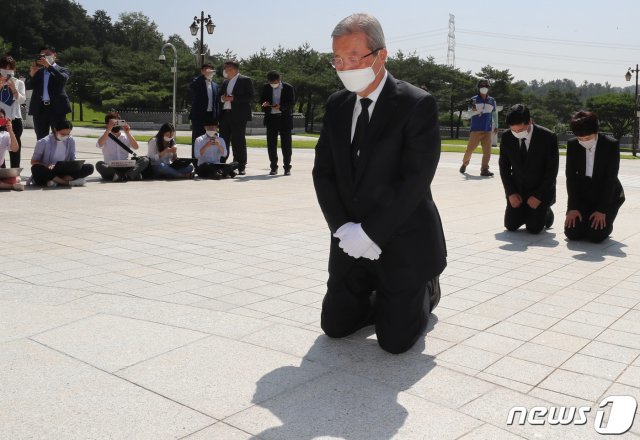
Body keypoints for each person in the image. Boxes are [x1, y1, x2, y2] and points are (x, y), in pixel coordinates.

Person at [312, 13, 446, 354]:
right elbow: (323, 172)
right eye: (338, 59)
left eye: (354, 58)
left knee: (395, 342)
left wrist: (371, 233)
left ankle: (425, 288)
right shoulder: (337, 105)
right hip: (350, 239)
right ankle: (381, 297)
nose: (344, 67)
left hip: (400, 236)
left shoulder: (416, 104)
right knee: (335, 327)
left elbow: (415, 182)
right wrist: (343, 229)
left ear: (381, 55)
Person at [564, 111, 625, 243]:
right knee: (572, 233)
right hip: (584, 194)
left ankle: (607, 221)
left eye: (587, 138)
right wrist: (572, 208)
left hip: (607, 194)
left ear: (596, 131)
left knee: (596, 236)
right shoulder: (573, 144)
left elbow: (611, 179)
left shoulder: (611, 145)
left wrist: (602, 210)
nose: (584, 141)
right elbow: (571, 177)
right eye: (580, 138)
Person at [498, 104, 558, 233]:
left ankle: (546, 211)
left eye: (520, 130)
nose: (517, 133)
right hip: (518, 189)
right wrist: (511, 193)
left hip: (539, 189)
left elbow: (551, 171)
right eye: (513, 130)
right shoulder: (507, 137)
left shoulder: (548, 137)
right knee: (511, 225)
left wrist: (539, 196)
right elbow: (504, 167)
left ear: (530, 121)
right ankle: (527, 212)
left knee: (534, 228)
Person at [25, 46, 71, 140]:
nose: (45, 57)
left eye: (48, 54)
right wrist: (31, 74)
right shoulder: (38, 71)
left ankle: (58, 155)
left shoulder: (63, 69)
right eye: (43, 55)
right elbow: (27, 86)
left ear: (55, 56)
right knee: (41, 139)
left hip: (57, 108)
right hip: (40, 108)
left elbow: (62, 79)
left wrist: (49, 66)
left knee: (59, 137)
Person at [30, 120, 94, 187]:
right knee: (36, 168)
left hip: (64, 171)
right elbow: (33, 162)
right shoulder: (43, 142)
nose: (65, 136)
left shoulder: (71, 140)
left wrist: (74, 165)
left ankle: (56, 181)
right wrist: (47, 166)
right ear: (55, 130)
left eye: (68, 134)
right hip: (49, 171)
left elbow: (72, 158)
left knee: (89, 167)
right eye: (63, 134)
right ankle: (66, 182)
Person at [219, 60, 254, 175]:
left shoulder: (245, 80)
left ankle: (240, 165)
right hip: (225, 115)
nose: (225, 71)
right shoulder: (225, 82)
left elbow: (249, 97)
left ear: (234, 69)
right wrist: (222, 99)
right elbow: (219, 96)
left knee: (238, 141)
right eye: (225, 69)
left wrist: (234, 99)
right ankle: (222, 163)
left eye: (227, 68)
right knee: (223, 140)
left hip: (239, 115)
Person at [95, 111, 149, 182]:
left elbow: (136, 147)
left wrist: (128, 133)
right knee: (99, 164)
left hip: (126, 166)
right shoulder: (105, 136)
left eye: (117, 122)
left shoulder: (125, 136)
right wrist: (108, 129)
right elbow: (100, 144)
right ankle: (128, 175)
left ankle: (125, 175)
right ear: (107, 124)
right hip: (111, 167)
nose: (115, 125)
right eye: (113, 123)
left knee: (145, 160)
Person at [260, 70, 296, 175]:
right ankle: (273, 167)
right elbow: (262, 100)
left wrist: (281, 106)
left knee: (286, 145)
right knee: (271, 144)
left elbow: (291, 102)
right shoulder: (266, 87)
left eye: (274, 82)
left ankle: (287, 168)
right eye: (270, 82)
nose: (272, 84)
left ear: (279, 79)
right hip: (271, 118)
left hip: (284, 119)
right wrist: (265, 103)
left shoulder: (288, 87)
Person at [460, 79, 498, 176]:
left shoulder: (492, 100)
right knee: (470, 150)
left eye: (486, 86)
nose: (484, 88)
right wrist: (476, 110)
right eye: (482, 86)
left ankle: (484, 169)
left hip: (487, 129)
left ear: (488, 88)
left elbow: (494, 114)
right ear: (479, 87)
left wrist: (496, 126)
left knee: (487, 152)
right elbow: (469, 112)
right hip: (476, 129)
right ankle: (464, 164)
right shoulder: (473, 99)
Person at [0, 56, 26, 168]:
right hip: (1, 118)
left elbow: (22, 100)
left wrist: (14, 89)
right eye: (4, 68)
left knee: (15, 145)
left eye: (10, 68)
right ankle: (2, 171)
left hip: (14, 118)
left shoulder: (19, 82)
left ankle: (14, 172)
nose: (7, 70)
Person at [189, 63, 219, 158]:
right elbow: (193, 86)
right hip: (199, 116)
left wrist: (217, 116)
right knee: (197, 138)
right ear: (202, 71)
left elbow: (216, 102)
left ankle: (210, 160)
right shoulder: (197, 81)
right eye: (206, 69)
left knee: (211, 139)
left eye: (210, 70)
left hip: (211, 116)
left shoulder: (215, 85)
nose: (208, 71)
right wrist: (204, 76)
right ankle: (196, 162)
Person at [0, 114, 23, 191]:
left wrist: (11, 131)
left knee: (15, 178)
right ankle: (11, 186)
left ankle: (5, 184)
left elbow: (15, 149)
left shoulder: (5, 135)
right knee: (15, 180)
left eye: (1, 118)